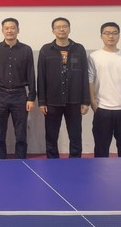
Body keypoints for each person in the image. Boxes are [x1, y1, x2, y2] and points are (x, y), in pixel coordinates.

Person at [37, 18, 89, 158]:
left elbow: (85, 75)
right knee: (51, 136)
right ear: (53, 30)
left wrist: (85, 101)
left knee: (75, 135)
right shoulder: (46, 50)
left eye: (64, 26)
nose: (61, 29)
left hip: (74, 100)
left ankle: (75, 162)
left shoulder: (79, 49)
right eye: (58, 27)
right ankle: (52, 161)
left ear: (69, 29)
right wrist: (42, 102)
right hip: (52, 101)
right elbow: (41, 77)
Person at [0, 18, 36, 159]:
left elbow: (31, 75)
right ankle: (1, 160)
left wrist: (31, 98)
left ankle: (21, 160)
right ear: (2, 31)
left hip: (19, 95)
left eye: (13, 28)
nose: (10, 31)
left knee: (21, 133)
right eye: (6, 28)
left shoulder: (26, 50)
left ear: (18, 30)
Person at [88, 22, 121, 159]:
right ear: (101, 36)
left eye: (114, 33)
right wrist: (93, 102)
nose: (111, 36)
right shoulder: (94, 57)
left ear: (119, 36)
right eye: (107, 33)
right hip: (103, 109)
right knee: (101, 148)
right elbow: (90, 81)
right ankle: (100, 172)